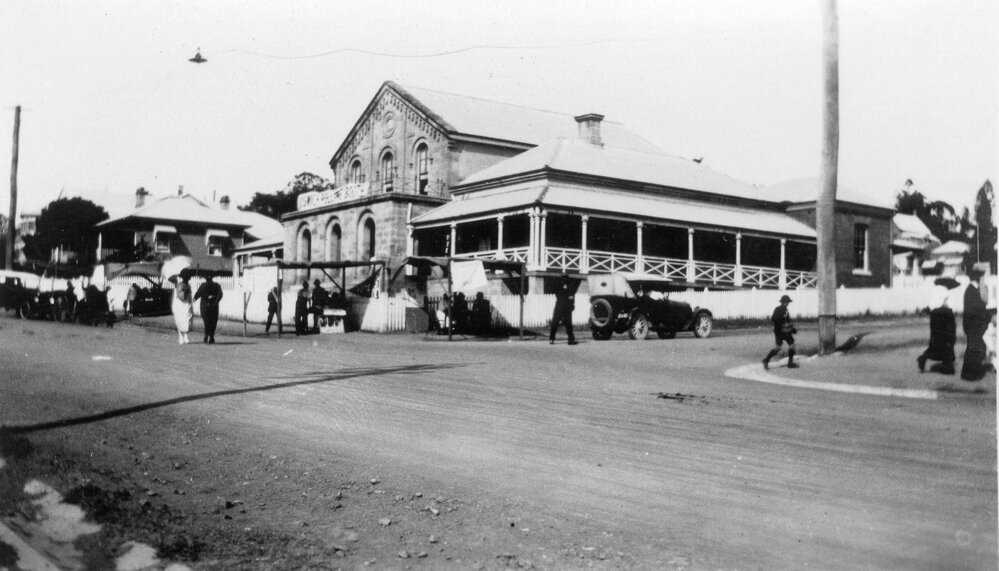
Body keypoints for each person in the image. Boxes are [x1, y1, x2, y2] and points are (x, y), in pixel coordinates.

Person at [917, 289, 955, 374]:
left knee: (937, 342)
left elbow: (932, 305)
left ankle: (924, 358)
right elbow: (943, 304)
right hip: (943, 314)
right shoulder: (944, 291)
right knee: (946, 341)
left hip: (935, 315)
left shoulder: (935, 291)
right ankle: (947, 365)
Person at [961, 269, 989, 381]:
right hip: (973, 325)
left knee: (973, 349)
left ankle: (968, 373)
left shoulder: (971, 290)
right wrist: (984, 307)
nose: (982, 279)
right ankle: (969, 374)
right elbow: (974, 309)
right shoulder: (972, 291)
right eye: (981, 277)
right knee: (975, 349)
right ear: (977, 278)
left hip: (971, 325)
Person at [763, 294, 797, 369]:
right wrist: (781, 322)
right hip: (779, 331)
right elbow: (773, 318)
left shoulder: (786, 310)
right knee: (778, 347)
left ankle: (790, 363)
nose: (788, 304)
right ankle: (766, 360)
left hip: (786, 331)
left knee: (792, 345)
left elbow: (788, 320)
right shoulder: (778, 309)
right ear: (784, 302)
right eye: (787, 302)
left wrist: (792, 329)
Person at [193, 274, 223, 344]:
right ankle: (211, 336)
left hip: (205, 306)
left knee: (207, 321)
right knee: (213, 321)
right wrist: (215, 299)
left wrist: (195, 298)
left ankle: (207, 335)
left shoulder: (203, 285)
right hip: (214, 306)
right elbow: (220, 295)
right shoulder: (217, 285)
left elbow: (198, 293)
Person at [549, 273, 577, 345]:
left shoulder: (567, 285)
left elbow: (572, 295)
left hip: (563, 305)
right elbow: (570, 295)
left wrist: (572, 304)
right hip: (562, 304)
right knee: (558, 322)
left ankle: (570, 339)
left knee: (565, 323)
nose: (564, 279)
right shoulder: (561, 284)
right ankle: (553, 338)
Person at [171, 274, 194, 345]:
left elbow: (189, 296)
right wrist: (186, 291)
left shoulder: (188, 285)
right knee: (180, 320)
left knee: (187, 319)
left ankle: (186, 336)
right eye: (186, 277)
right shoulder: (180, 285)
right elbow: (181, 296)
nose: (188, 279)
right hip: (180, 304)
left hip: (187, 304)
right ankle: (181, 336)